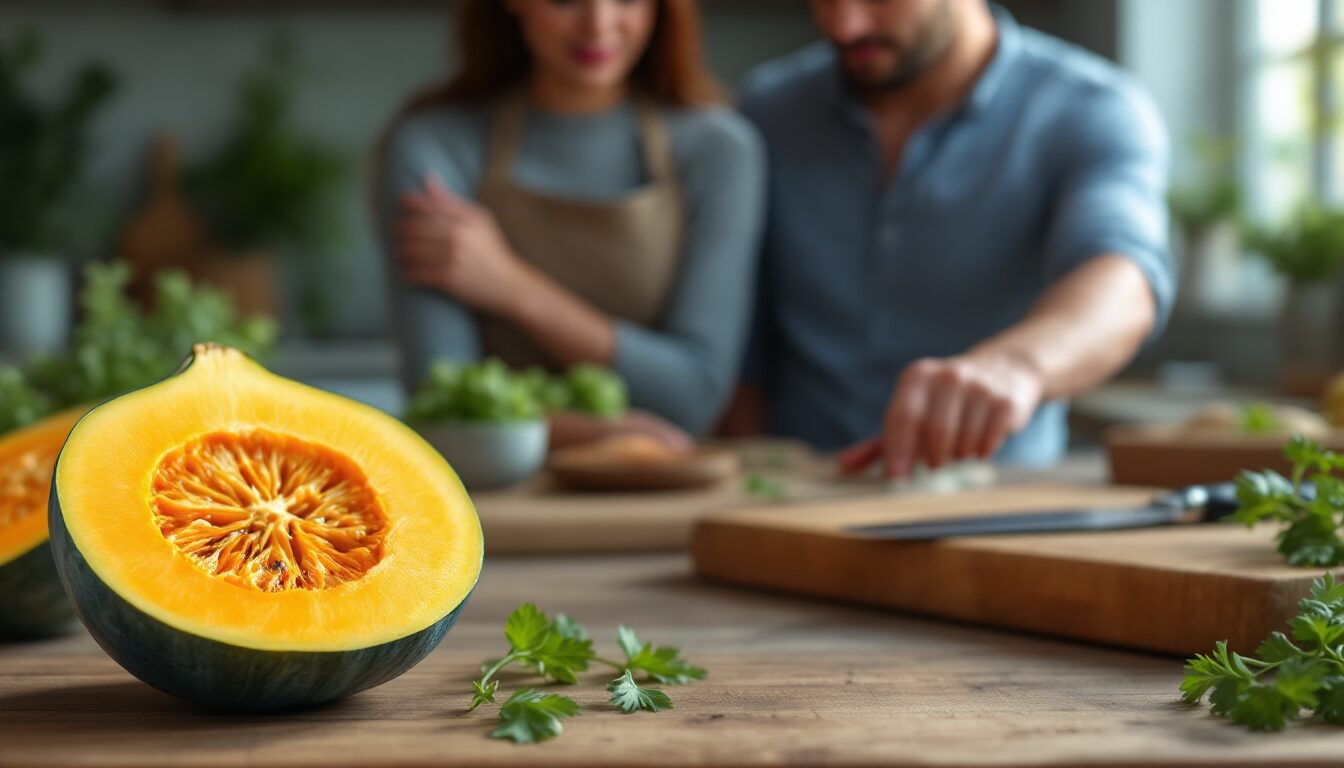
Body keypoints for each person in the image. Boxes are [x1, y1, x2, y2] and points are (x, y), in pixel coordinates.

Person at [721, 0, 1173, 477]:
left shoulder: (1090, 109)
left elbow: (1123, 278)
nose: (845, 25)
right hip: (792, 494)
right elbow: (746, 346)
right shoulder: (766, 113)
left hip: (994, 498)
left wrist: (1016, 364)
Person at [379, 0, 764, 448]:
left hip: (668, 495)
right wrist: (600, 432)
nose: (598, 24)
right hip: (485, 504)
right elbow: (442, 403)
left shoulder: (720, 151)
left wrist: (510, 285)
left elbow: (694, 396)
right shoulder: (433, 148)